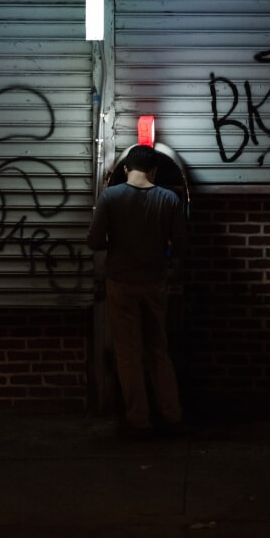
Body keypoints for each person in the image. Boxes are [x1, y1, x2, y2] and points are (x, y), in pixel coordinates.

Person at [87, 144, 189, 438]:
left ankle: (138, 419)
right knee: (159, 350)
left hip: (120, 283)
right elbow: (182, 245)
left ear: (125, 170)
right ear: (154, 171)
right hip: (155, 283)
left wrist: (118, 241)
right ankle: (171, 414)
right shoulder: (169, 198)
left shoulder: (110, 196)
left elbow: (94, 242)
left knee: (128, 353)